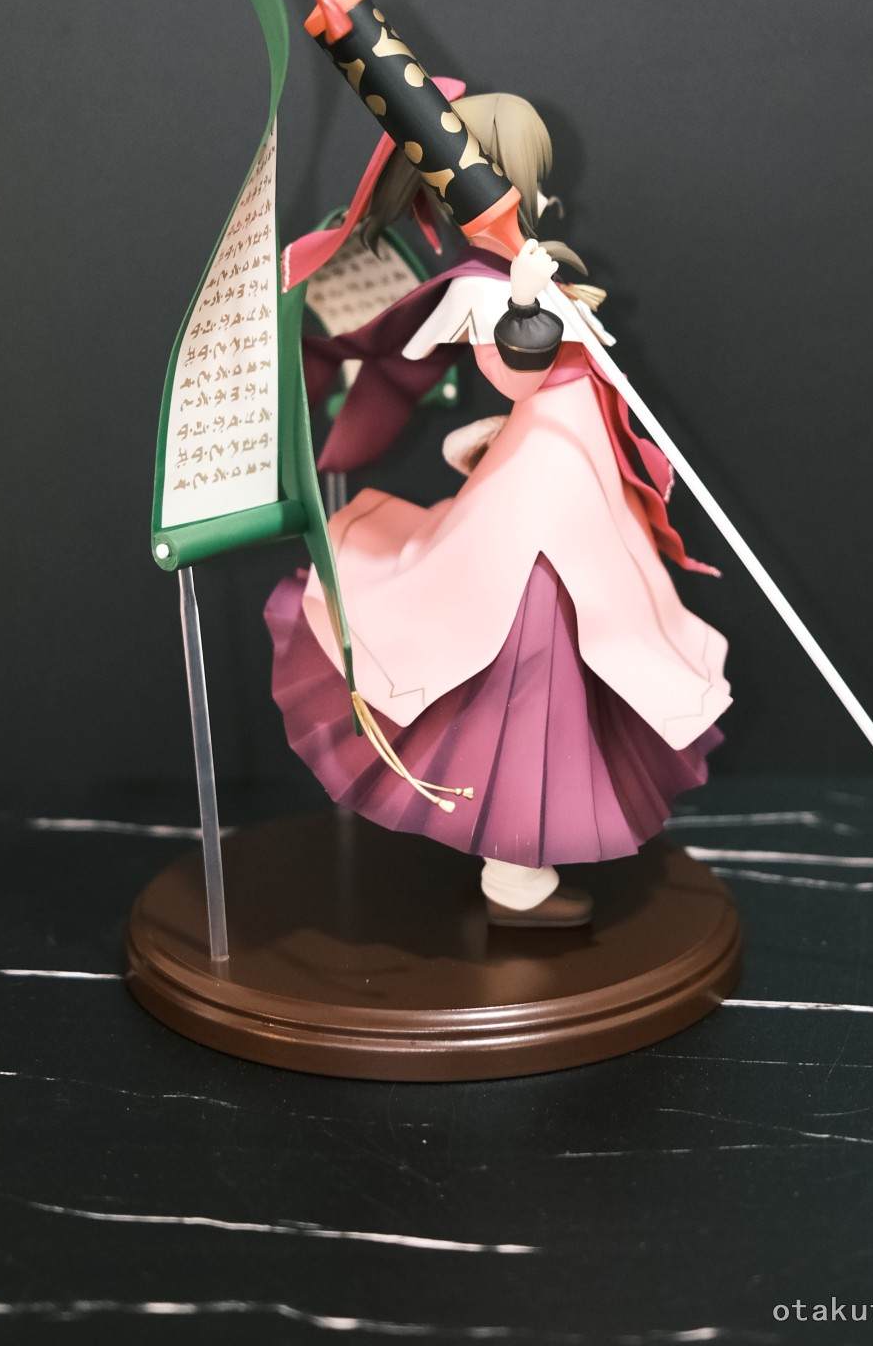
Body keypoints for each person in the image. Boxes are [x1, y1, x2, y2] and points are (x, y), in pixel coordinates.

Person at [265, 92, 731, 927]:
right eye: (523, 174)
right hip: (543, 516)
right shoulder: (484, 285)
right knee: (531, 670)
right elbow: (516, 371)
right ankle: (515, 875)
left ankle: (520, 870)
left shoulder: (518, 262)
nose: (538, 193)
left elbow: (555, 391)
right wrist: (522, 307)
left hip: (569, 488)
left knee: (575, 661)